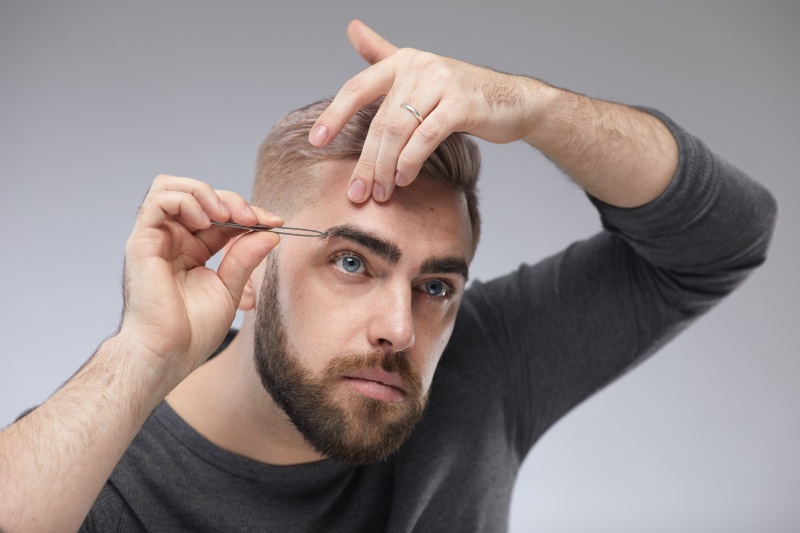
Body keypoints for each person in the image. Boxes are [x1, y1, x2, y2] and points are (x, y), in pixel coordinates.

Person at [0, 20, 776, 532]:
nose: (399, 328)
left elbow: (725, 236)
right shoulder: (106, 468)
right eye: (351, 261)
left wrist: (536, 108)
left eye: (436, 284)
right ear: (251, 266)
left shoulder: (482, 367)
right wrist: (140, 356)